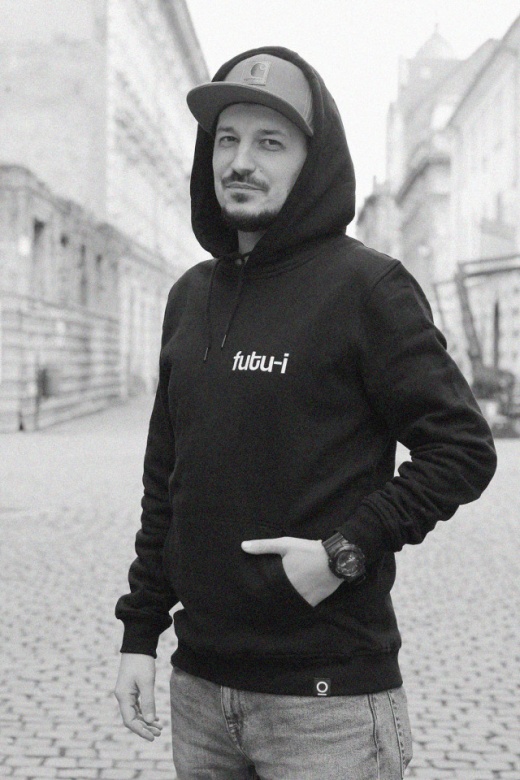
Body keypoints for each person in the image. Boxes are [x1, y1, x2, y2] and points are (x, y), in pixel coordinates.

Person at [114, 47, 497, 779]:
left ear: (311, 163)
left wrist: (345, 552)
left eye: (270, 142)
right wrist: (140, 631)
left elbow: (463, 449)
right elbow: (166, 479)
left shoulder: (368, 289)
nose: (241, 161)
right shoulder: (190, 297)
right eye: (227, 140)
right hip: (200, 692)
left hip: (329, 707)